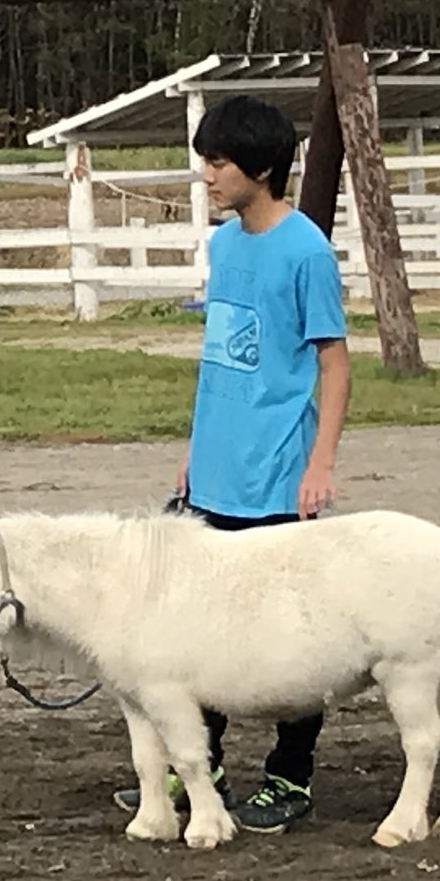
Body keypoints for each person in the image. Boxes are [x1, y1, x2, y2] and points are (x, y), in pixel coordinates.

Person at [113, 94, 352, 833]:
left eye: (217, 163)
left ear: (261, 167)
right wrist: (194, 452)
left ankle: (291, 775)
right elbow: (220, 361)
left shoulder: (306, 250)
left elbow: (335, 363)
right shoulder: (225, 247)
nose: (207, 177)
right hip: (214, 472)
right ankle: (201, 764)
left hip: (277, 475)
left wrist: (319, 464)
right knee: (200, 625)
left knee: (289, 630)